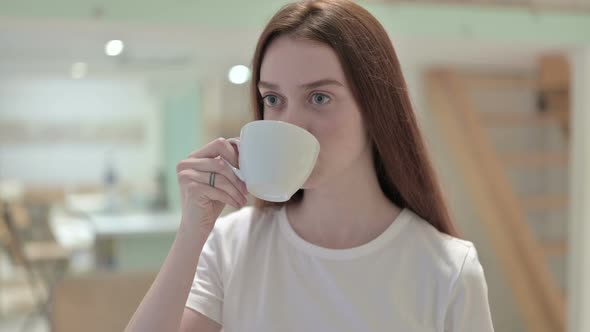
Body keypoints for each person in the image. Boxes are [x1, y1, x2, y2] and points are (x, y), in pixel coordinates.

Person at [125, 0, 495, 331]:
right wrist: (192, 232)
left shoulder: (447, 270)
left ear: (375, 109)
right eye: (273, 98)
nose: (289, 123)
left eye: (319, 97)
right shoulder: (231, 246)